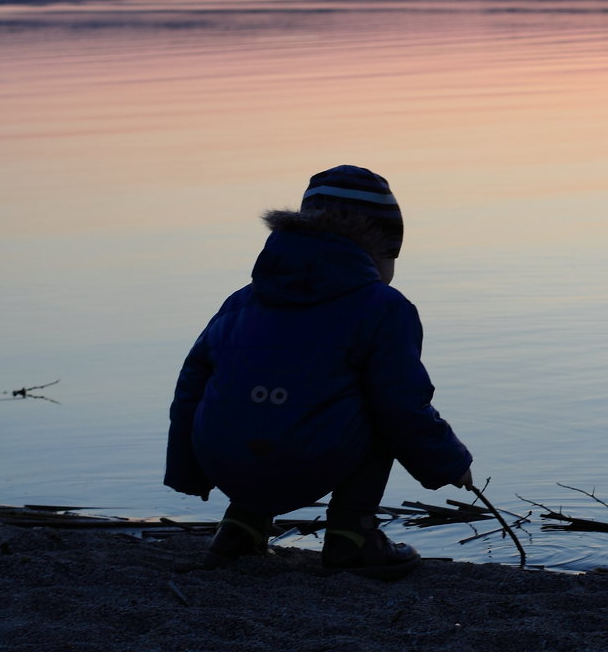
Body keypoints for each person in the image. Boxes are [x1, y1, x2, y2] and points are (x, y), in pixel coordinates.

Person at [165, 165, 473, 579]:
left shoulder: (241, 302)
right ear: (375, 247)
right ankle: (353, 535)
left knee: (264, 403)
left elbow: (191, 386)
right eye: (391, 255)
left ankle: (239, 530)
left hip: (222, 459)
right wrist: (448, 464)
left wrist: (188, 470)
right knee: (376, 411)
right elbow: (402, 405)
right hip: (304, 461)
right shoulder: (382, 307)